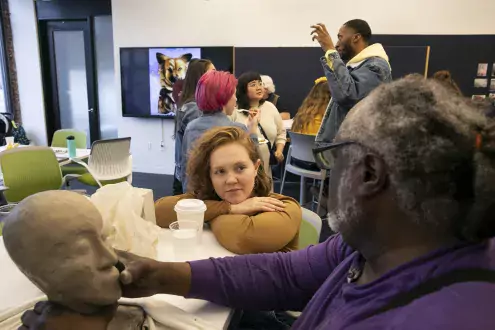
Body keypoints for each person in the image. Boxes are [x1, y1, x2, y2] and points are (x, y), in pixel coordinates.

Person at [20, 76, 495, 330]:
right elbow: (284, 275)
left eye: (334, 158)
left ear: (369, 173)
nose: (327, 176)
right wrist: (159, 274)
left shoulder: (445, 316)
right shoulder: (372, 247)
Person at [156, 126, 301, 255]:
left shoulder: (285, 207)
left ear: (256, 167)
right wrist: (229, 208)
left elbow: (243, 237)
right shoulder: (213, 197)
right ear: (210, 176)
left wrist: (209, 213)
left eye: (240, 168)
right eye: (220, 171)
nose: (231, 180)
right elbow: (159, 211)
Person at [311, 19, 392, 145]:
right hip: (349, 149)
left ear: (356, 37)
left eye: (340, 37)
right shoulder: (359, 67)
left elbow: (347, 95)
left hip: (358, 151)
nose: (337, 44)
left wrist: (331, 52)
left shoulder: (376, 66)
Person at [181, 71, 258, 191]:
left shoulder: (190, 128)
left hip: (196, 197)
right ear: (224, 97)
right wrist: (252, 131)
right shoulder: (237, 130)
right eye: (233, 94)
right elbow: (255, 165)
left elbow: (186, 171)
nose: (236, 98)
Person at [231, 71, 287, 182]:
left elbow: (281, 132)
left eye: (260, 83)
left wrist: (279, 150)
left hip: (265, 165)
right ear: (243, 89)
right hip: (240, 165)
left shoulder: (270, 107)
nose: (259, 87)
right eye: (253, 85)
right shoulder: (235, 111)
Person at [173, 59, 215, 195]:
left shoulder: (189, 104)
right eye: (213, 73)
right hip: (193, 181)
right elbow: (196, 153)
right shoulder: (195, 108)